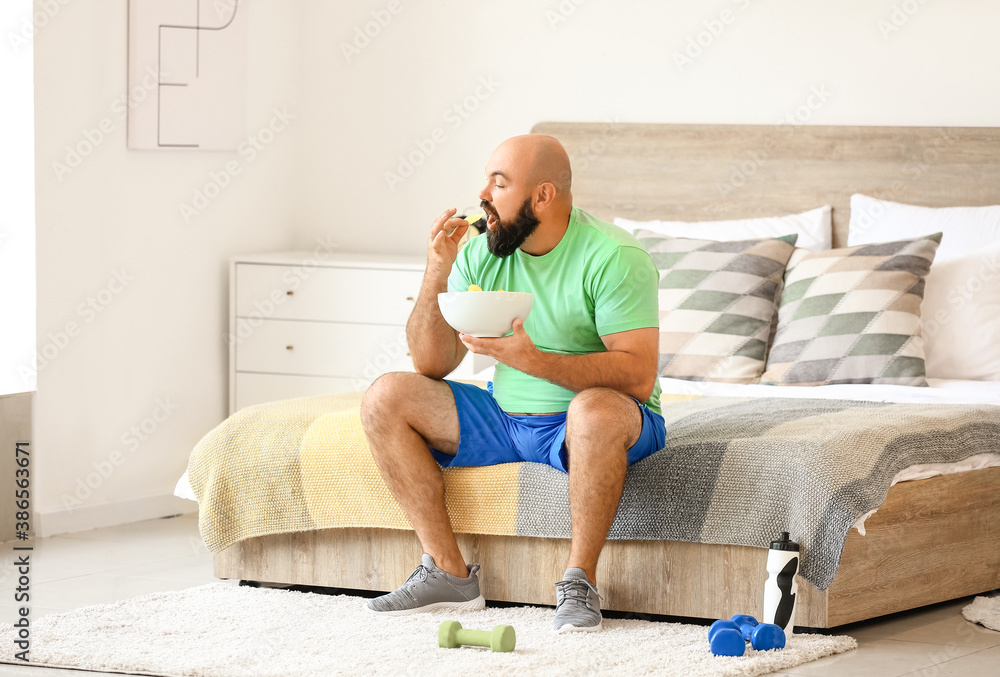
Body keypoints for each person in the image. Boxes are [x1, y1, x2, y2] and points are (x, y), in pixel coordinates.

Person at [360, 134, 664, 632]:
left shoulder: (614, 257)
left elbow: (636, 373)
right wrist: (439, 267)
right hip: (504, 415)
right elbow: (431, 363)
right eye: (487, 181)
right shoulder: (484, 252)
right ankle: (448, 573)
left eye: (499, 184)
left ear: (543, 196)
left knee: (592, 412)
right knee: (386, 397)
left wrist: (539, 361)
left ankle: (579, 581)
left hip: (594, 418)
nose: (483, 194)